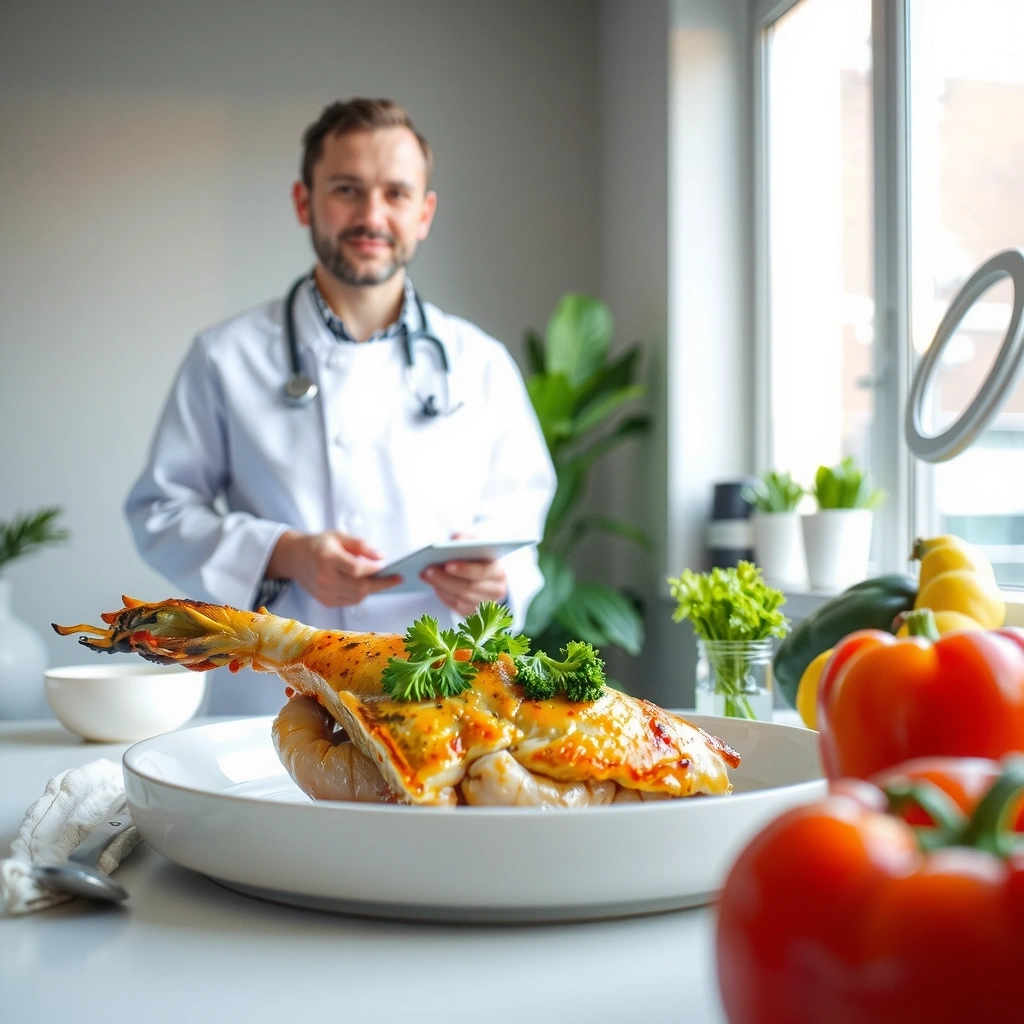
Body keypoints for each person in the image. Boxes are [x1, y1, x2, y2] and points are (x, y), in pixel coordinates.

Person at [125, 98, 556, 714]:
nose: (371, 215)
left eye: (396, 194)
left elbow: (520, 520)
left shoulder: (480, 363)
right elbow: (160, 512)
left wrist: (500, 582)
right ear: (305, 202)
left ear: (425, 212)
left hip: (438, 694)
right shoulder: (225, 356)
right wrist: (284, 553)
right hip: (272, 693)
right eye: (347, 190)